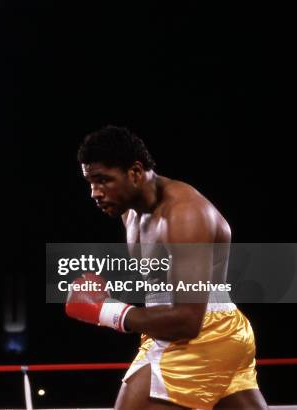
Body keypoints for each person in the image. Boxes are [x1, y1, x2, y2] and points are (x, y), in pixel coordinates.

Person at [65, 126, 267, 409]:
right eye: (89, 182)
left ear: (135, 172)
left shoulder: (184, 214)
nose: (94, 193)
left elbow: (187, 320)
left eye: (102, 180)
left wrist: (104, 310)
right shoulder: (130, 213)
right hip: (192, 334)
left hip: (199, 337)